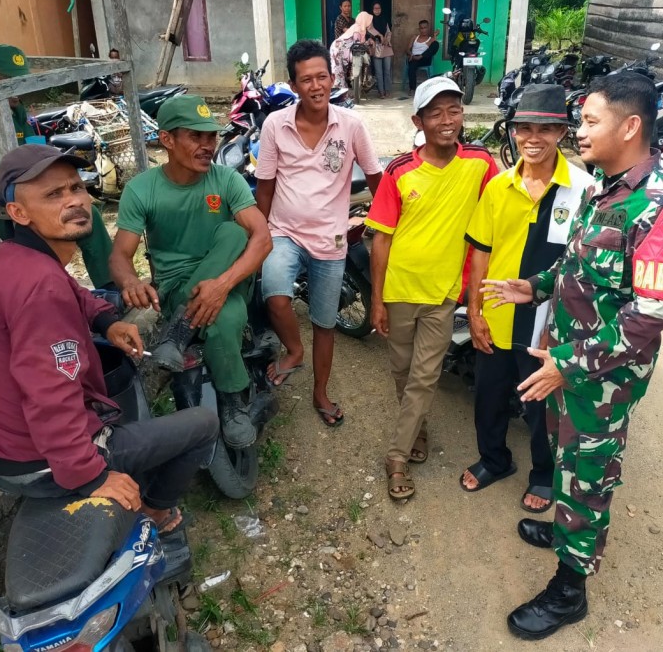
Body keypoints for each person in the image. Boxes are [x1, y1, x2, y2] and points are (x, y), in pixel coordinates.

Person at [481, 73, 663, 640]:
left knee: (588, 476)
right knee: (565, 458)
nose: (578, 131)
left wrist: (568, 364)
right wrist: (534, 287)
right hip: (567, 364)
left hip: (601, 380)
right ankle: (564, 532)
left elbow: (648, 318)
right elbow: (578, 263)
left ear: (629, 127)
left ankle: (569, 589)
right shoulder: (604, 189)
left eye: (589, 121)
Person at [0, 144, 219, 533]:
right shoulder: (41, 286)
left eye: (76, 187)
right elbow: (50, 394)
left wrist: (106, 320)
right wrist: (90, 476)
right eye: (53, 194)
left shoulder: (19, 256)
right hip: (34, 461)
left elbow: (75, 292)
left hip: (0, 445)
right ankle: (155, 512)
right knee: (203, 424)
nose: (74, 201)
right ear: (18, 212)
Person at [460, 85, 594, 513]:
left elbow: (585, 266)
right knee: (489, 396)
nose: (533, 138)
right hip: (498, 316)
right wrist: (474, 313)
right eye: (525, 128)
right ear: (513, 132)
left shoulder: (584, 189)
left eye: (545, 129)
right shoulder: (499, 186)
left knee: (542, 408)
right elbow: (480, 252)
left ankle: (542, 475)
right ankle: (494, 460)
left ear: (562, 133)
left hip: (550, 325)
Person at [110, 95, 272, 450]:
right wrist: (130, 280)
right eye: (195, 136)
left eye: (211, 136)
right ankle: (233, 403)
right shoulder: (142, 189)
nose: (207, 145)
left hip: (230, 279)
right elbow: (120, 255)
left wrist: (221, 285)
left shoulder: (226, 180)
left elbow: (262, 238)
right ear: (167, 139)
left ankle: (179, 332)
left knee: (234, 233)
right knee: (226, 318)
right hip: (175, 288)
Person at [366, 76, 497, 499]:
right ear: (418, 121)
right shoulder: (399, 170)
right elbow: (381, 238)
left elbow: (502, 207)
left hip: (443, 294)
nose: (446, 120)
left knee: (423, 378)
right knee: (402, 373)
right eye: (435, 113)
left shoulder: (480, 163)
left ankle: (397, 457)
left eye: (454, 110)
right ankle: (417, 428)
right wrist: (377, 300)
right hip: (399, 290)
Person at [255, 39, 382, 426]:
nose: (316, 86)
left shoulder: (351, 126)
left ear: (332, 77)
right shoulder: (275, 125)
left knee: (325, 323)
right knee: (275, 295)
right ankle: (294, 351)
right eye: (306, 79)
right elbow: (265, 188)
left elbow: (376, 179)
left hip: (331, 240)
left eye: (322, 76)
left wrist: (381, 223)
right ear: (294, 85)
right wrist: (258, 235)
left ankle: (320, 393)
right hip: (284, 232)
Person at [0, 44, 114, 288]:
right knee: (45, 231)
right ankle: (53, 292)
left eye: (21, 81)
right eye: (9, 81)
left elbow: (33, 154)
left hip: (24, 191)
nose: (17, 89)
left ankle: (111, 289)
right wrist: (33, 201)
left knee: (87, 214)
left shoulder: (14, 108)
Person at [329, 12, 373, 90]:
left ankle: (342, 92)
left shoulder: (357, 27)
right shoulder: (358, 29)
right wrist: (368, 43)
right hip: (339, 48)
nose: (370, 23)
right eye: (369, 20)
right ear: (364, 20)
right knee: (339, 73)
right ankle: (340, 93)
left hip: (338, 47)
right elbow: (357, 44)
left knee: (340, 72)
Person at [406, 20, 440, 93]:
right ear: (419, 29)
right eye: (421, 28)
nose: (423, 30)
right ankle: (412, 89)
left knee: (436, 44)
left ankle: (420, 56)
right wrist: (411, 54)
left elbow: (433, 49)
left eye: (425, 28)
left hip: (424, 59)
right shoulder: (414, 37)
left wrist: (435, 35)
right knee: (411, 67)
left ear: (428, 28)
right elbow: (407, 49)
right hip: (414, 58)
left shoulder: (431, 39)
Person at [369, 2, 394, 99]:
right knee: (378, 71)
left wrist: (387, 40)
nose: (377, 10)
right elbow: (370, 31)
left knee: (387, 70)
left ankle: (387, 90)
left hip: (386, 46)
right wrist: (379, 36)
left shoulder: (385, 19)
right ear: (372, 9)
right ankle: (381, 91)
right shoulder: (370, 21)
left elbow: (388, 31)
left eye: (379, 8)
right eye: (375, 8)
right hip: (376, 47)